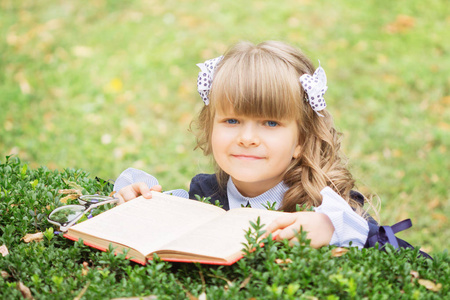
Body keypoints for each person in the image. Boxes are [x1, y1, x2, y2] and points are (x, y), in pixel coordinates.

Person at [114, 41, 428, 255]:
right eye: (232, 121)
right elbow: (162, 214)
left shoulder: (325, 206)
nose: (247, 137)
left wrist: (336, 227)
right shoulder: (206, 195)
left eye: (271, 123)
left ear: (301, 140)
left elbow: (414, 264)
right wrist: (138, 197)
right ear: (211, 128)